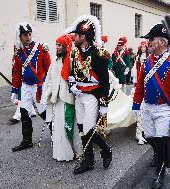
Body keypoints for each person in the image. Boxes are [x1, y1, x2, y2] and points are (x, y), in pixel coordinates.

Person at [132, 24, 170, 188]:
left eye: (151, 39)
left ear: (162, 42)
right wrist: (136, 105)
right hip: (148, 106)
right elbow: (140, 85)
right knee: (149, 137)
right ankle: (158, 154)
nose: (148, 42)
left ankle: (160, 172)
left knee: (162, 140)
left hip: (165, 108)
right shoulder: (147, 61)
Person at [65, 15, 112, 175]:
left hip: (93, 95)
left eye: (76, 35)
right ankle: (89, 160)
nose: (74, 38)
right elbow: (72, 74)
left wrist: (104, 104)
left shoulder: (99, 53)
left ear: (83, 37)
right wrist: (72, 85)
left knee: (89, 129)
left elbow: (105, 81)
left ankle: (106, 150)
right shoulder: (75, 53)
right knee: (81, 128)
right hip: (79, 95)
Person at [41, 34, 82, 161]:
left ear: (65, 46)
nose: (57, 47)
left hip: (68, 98)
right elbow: (49, 78)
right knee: (58, 127)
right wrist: (45, 93)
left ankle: (78, 152)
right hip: (56, 99)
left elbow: (79, 76)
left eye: (59, 45)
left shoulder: (71, 60)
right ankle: (62, 153)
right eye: (56, 45)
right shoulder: (54, 60)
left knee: (70, 126)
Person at [11, 22, 51, 152]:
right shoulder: (18, 51)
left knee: (43, 111)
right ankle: (27, 141)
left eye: (29, 34)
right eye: (24, 35)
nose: (28, 37)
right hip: (25, 86)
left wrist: (48, 85)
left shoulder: (40, 48)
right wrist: (15, 89)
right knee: (24, 112)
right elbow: (17, 71)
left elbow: (48, 68)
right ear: (20, 36)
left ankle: (56, 135)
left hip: (38, 86)